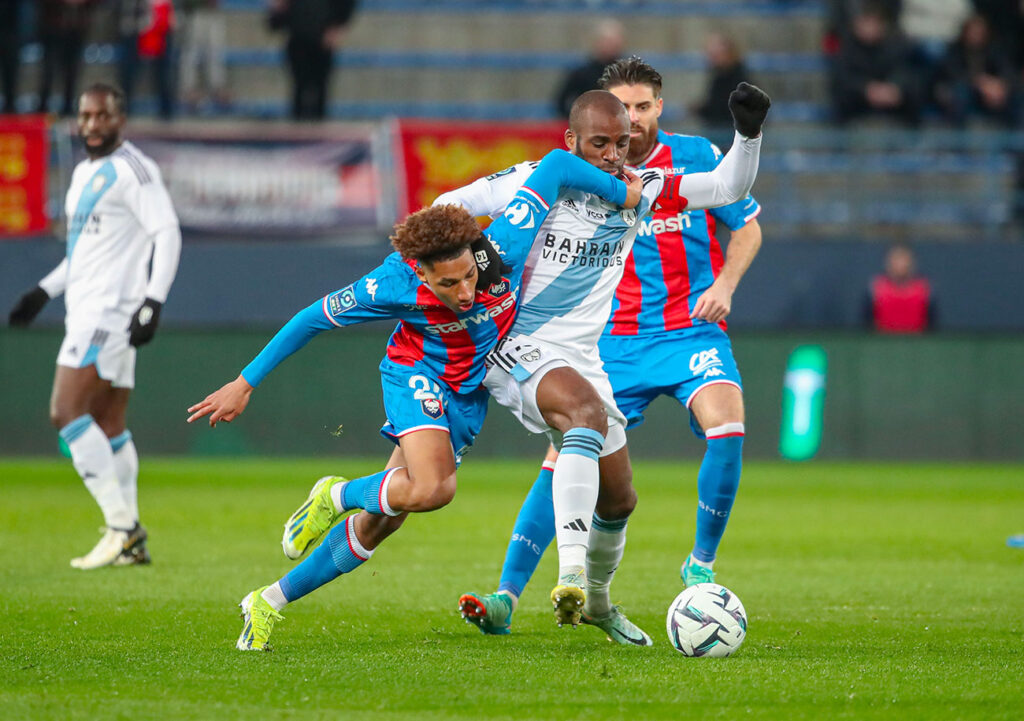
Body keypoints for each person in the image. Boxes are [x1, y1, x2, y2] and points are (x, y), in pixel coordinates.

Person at [186, 148, 640, 651]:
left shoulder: (501, 245)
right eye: (449, 283)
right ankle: (335, 495)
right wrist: (245, 382)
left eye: (470, 275)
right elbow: (311, 318)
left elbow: (556, 164)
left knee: (382, 522)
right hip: (417, 375)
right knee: (432, 489)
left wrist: (624, 192)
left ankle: (268, 601)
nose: (467, 291)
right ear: (420, 273)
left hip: (470, 388)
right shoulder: (391, 284)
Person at [438, 82, 769, 637]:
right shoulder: (531, 179)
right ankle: (546, 583)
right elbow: (450, 207)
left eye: (620, 143)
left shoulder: (642, 187)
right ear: (571, 141)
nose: (613, 155)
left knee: (619, 498)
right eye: (599, 144)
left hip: (587, 355)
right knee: (580, 425)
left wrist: (749, 133)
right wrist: (466, 270)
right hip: (520, 347)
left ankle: (596, 603)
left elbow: (728, 184)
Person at [7, 82, 181, 568]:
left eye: (101, 115)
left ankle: (122, 528)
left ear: (120, 118)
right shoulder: (84, 172)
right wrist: (44, 291)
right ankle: (132, 541)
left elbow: (166, 234)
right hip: (86, 307)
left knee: (65, 413)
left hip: (108, 312)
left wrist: (153, 301)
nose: (91, 124)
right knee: (107, 423)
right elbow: (82, 253)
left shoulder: (134, 170)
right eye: (85, 116)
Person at [831, 2, 923, 126]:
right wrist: (866, 89)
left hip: (893, 104)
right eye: (866, 22)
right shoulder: (847, 49)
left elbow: (904, 70)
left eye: (873, 22)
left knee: (915, 88)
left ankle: (912, 140)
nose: (869, 27)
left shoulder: (896, 45)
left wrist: (894, 88)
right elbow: (844, 78)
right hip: (858, 104)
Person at [268, 0, 358, 120]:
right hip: (297, 36)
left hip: (323, 37)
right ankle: (298, 129)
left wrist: (338, 25)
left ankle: (318, 128)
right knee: (299, 88)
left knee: (320, 90)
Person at [36, 0, 97, 117]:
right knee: (49, 68)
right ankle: (43, 105)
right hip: (53, 23)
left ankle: (68, 104)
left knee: (72, 69)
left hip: (77, 24)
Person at [553, 19, 625, 119]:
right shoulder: (581, 73)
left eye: (613, 41)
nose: (610, 45)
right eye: (606, 41)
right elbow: (561, 101)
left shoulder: (628, 73)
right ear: (597, 43)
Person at [864, 241, 935, 333]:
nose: (900, 265)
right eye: (896, 260)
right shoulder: (875, 288)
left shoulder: (924, 289)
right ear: (888, 263)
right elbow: (867, 326)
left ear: (912, 263)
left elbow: (931, 326)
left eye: (904, 260)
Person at [693, 33, 753, 132]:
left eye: (715, 54)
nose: (711, 58)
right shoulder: (720, 76)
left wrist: (702, 110)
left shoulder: (738, 80)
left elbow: (722, 110)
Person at [178, 0, 229, 112]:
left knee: (215, 53)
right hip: (193, 12)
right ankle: (189, 90)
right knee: (190, 54)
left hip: (212, 12)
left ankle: (217, 87)